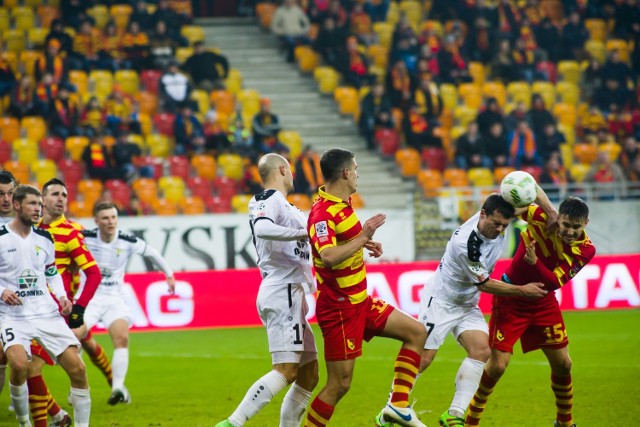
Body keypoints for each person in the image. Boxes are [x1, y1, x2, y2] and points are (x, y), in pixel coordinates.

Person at [390, 193, 552, 427]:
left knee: (481, 351)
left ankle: (454, 414)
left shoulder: (497, 216)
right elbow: (484, 284)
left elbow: (526, 193)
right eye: (495, 223)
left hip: (466, 303)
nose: (499, 229)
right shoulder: (466, 244)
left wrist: (552, 211)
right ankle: (392, 407)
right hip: (441, 300)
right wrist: (523, 291)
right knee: (424, 357)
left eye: (504, 225)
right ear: (482, 214)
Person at [304, 148, 428, 427]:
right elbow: (329, 257)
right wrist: (363, 237)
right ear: (346, 173)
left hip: (360, 301)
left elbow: (344, 245)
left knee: (416, 332)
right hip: (339, 308)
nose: (358, 174)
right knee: (339, 384)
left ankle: (398, 406)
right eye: (356, 169)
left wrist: (364, 244)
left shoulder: (343, 204)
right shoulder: (322, 214)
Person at [465, 197, 596, 427]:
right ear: (560, 218)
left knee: (564, 364)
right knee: (497, 366)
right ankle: (471, 420)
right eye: (566, 224)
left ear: (585, 223)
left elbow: (554, 282)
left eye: (576, 227)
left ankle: (565, 422)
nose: (569, 231)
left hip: (543, 302)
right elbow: (514, 208)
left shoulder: (586, 250)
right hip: (511, 299)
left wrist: (535, 262)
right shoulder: (541, 217)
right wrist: (533, 204)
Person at [216, 153, 319, 427]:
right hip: (281, 289)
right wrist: (302, 233)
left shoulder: (290, 208)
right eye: (292, 170)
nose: (294, 175)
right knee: (286, 371)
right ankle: (233, 422)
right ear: (283, 170)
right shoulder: (266, 199)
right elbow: (262, 228)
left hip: (291, 293)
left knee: (310, 374)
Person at [0, 184, 91, 427]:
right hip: (13, 315)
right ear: (17, 205)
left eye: (40, 205)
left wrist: (62, 296)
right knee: (19, 366)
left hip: (46, 313)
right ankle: (24, 423)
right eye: (32, 204)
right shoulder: (0, 237)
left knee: (78, 369)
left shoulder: (45, 238)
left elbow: (51, 273)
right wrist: (2, 291)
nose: (38, 209)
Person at [82, 202, 175, 405]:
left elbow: (152, 253)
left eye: (113, 217)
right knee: (74, 341)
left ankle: (118, 388)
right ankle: (77, 389)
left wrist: (168, 274)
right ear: (96, 221)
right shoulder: (85, 238)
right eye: (105, 218)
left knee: (122, 338)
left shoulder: (126, 240)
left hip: (114, 298)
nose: (110, 221)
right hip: (88, 298)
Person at [27, 178, 103, 427]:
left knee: (32, 369)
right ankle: (58, 416)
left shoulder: (70, 232)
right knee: (25, 369)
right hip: (22, 309)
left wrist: (79, 309)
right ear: (43, 198)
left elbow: (93, 273)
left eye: (64, 195)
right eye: (55, 194)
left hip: (52, 312)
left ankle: (55, 418)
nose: (61, 199)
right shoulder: (27, 228)